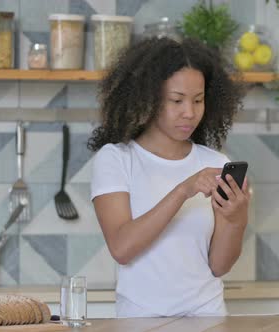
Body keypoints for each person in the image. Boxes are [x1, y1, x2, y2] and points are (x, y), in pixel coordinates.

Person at [88, 37, 250, 318]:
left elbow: (219, 266)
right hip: (140, 321)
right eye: (176, 100)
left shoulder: (215, 163)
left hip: (209, 319)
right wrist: (182, 191)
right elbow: (122, 247)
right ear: (148, 100)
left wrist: (237, 218)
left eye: (198, 100)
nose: (189, 112)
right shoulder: (116, 159)